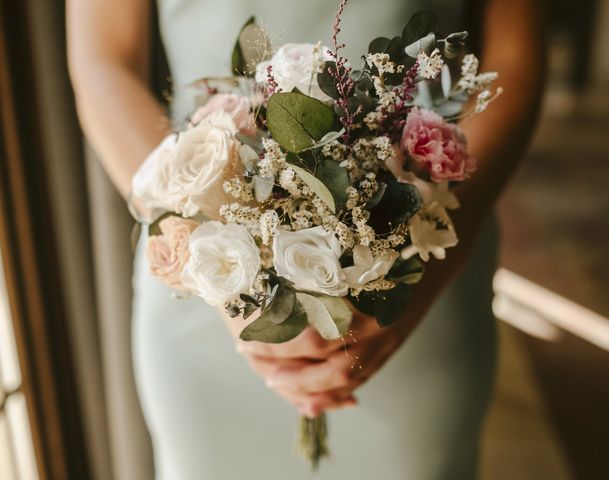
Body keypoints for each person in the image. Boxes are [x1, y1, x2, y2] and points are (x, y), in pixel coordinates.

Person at [67, 0, 545, 478]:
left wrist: (415, 285)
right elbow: (104, 60)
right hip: (205, 285)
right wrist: (215, 266)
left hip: (416, 272)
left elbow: (515, 57)